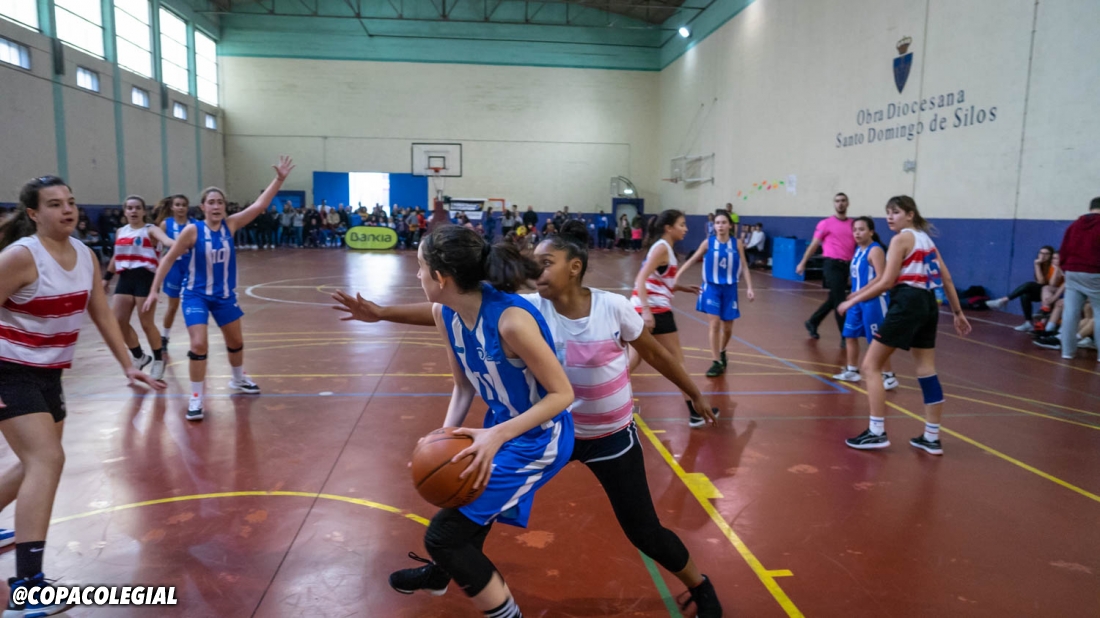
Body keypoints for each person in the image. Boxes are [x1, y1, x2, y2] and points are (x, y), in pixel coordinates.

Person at [331, 221, 722, 616]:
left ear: (575, 267)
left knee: (644, 530)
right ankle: (442, 569)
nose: (536, 271)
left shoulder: (611, 307)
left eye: (546, 262)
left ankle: (699, 584)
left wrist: (692, 392)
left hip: (606, 434)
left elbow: (654, 355)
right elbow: (449, 306)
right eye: (533, 263)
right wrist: (381, 313)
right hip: (537, 425)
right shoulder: (527, 307)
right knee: (472, 499)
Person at [387, 225, 574, 618]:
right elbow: (462, 387)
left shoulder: (510, 321)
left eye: (419, 268)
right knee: (469, 505)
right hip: (499, 428)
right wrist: (437, 440)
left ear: (441, 278)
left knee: (444, 536)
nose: (416, 276)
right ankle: (441, 577)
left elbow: (562, 395)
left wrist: (495, 436)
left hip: (540, 438)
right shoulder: (446, 313)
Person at [0, 176, 164, 616]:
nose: (68, 210)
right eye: (54, 204)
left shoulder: (86, 256)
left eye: (71, 202)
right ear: (33, 214)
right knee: (46, 460)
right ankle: (28, 588)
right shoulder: (19, 257)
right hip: (8, 371)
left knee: (38, 460)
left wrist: (129, 363)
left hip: (50, 373)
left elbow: (102, 313)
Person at [144, 157, 295, 421]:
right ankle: (196, 398)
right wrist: (154, 290)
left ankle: (238, 380)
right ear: (202, 207)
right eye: (211, 202)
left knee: (235, 342)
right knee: (199, 344)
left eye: (220, 202)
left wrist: (279, 179)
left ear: (225, 207)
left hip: (224, 296)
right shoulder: (192, 231)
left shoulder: (231, 225)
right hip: (195, 296)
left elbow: (260, 205)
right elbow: (167, 259)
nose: (216, 206)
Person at [839, 196, 971, 455]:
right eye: (887, 213)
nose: (890, 217)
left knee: (870, 366)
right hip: (928, 303)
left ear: (910, 214)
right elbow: (946, 277)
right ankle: (932, 437)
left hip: (908, 301)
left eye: (895, 212)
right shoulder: (927, 241)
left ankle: (876, 432)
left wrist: (853, 299)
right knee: (926, 369)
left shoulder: (901, 239)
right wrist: (957, 311)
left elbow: (887, 282)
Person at [628, 210, 718, 427]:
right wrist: (648, 312)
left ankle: (598, 397)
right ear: (669, 228)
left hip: (641, 308)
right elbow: (640, 279)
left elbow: (656, 279)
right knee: (677, 362)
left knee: (631, 362)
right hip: (654, 311)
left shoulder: (663, 248)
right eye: (682, 224)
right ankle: (695, 412)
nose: (686, 228)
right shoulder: (661, 248)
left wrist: (681, 288)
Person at [102, 195, 176, 381]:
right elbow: (116, 257)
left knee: (146, 323)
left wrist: (178, 244)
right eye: (130, 208)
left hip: (146, 278)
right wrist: (106, 278)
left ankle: (158, 360)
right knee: (118, 322)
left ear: (144, 211)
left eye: (137, 208)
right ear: (125, 211)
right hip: (125, 278)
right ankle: (139, 356)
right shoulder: (121, 232)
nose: (133, 211)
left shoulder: (151, 230)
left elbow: (167, 241)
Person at [676, 210, 755, 378]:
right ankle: (716, 361)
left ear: (730, 225)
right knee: (714, 324)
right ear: (714, 225)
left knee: (727, 328)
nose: (720, 226)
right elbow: (691, 259)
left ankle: (722, 350)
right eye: (717, 223)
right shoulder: (708, 243)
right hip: (711, 288)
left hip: (730, 289)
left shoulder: (737, 243)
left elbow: (745, 266)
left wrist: (749, 287)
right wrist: (677, 275)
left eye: (723, 222)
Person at [830, 217, 899, 390]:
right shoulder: (858, 250)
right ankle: (852, 370)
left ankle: (888, 376)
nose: (857, 233)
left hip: (874, 300)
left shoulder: (875, 250)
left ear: (871, 231)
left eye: (861, 229)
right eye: (855, 230)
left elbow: (881, 277)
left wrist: (858, 293)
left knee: (877, 340)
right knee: (850, 334)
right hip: (857, 301)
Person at [796, 193, 856, 342]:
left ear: (847, 203)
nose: (840, 204)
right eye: (837, 201)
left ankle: (813, 322)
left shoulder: (853, 224)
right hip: (831, 265)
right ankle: (845, 336)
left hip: (847, 266)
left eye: (843, 201)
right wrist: (803, 262)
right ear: (834, 204)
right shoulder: (826, 223)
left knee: (834, 298)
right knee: (839, 300)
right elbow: (814, 244)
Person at [1055, 197, 1100, 360]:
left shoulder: (1074, 225)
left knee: (1070, 313)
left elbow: (1063, 250)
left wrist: (1065, 269)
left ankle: (1067, 352)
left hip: (1072, 271)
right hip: (1095, 271)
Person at [153, 194, 195, 350]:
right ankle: (164, 337)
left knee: (193, 306)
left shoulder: (194, 224)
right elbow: (159, 250)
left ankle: (196, 338)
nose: (181, 207)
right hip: (174, 269)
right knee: (173, 306)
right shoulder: (166, 224)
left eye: (184, 204)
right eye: (178, 204)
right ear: (172, 207)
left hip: (191, 269)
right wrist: (158, 270)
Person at [985, 246, 1056, 331]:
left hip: (1051, 294)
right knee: (1025, 295)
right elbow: (1039, 282)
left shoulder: (1053, 266)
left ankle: (1003, 300)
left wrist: (1036, 264)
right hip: (1041, 293)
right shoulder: (1041, 264)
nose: (1043, 256)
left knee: (1028, 285)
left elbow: (1042, 282)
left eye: (1046, 254)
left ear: (1051, 255)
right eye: (1041, 253)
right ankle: (1028, 323)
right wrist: (1037, 265)